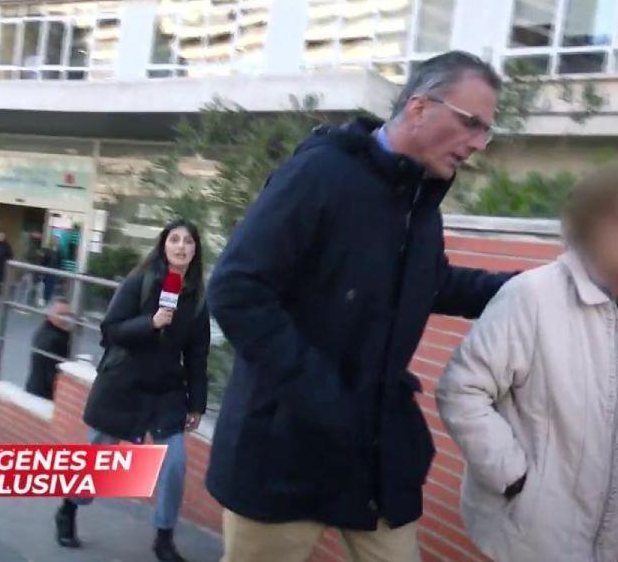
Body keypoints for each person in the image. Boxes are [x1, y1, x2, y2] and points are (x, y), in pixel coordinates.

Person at [205, 51, 513, 562]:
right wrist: (322, 393)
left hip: (372, 457)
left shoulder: (420, 203)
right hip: (283, 453)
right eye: (471, 123)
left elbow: (433, 283)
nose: (479, 143)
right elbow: (236, 288)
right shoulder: (320, 174)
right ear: (419, 108)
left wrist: (530, 289)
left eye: (487, 130)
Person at [436, 164, 618, 562]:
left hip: (608, 534)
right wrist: (515, 478)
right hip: (531, 537)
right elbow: (460, 390)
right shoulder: (531, 296)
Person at [58, 219, 210, 562]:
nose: (181, 246)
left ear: (195, 250)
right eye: (174, 240)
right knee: (97, 460)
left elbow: (197, 355)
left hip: (166, 391)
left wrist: (196, 404)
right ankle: (69, 508)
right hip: (124, 384)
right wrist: (150, 323)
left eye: (188, 241)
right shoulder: (139, 281)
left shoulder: (197, 299)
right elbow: (110, 330)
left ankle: (164, 538)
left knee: (175, 464)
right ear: (163, 245)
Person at [25, 297, 73, 400]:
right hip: (45, 395)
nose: (65, 319)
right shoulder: (57, 339)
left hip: (33, 389)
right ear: (49, 314)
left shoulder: (43, 331)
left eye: (68, 315)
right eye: (61, 314)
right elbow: (53, 375)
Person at [41, 235, 61, 305]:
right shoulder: (48, 251)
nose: (56, 242)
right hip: (48, 272)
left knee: (52, 287)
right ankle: (44, 299)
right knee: (46, 286)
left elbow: (59, 262)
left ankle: (48, 300)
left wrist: (59, 271)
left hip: (54, 273)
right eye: (55, 240)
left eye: (57, 241)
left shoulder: (59, 252)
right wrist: (42, 271)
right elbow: (44, 261)